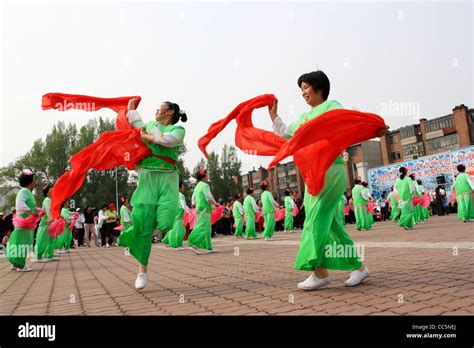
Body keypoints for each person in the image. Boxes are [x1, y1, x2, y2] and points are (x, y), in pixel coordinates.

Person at [270, 70, 382, 290]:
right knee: (330, 226)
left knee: (314, 220)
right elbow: (286, 134)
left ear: (319, 87)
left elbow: (348, 123)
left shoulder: (332, 106)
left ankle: (319, 272)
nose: (303, 92)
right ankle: (358, 268)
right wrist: (274, 116)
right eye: (300, 88)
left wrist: (371, 128)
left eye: (306, 87)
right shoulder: (303, 118)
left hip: (331, 170)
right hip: (312, 175)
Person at [119, 98, 187, 290]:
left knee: (166, 222)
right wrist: (131, 106)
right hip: (147, 177)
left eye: (159, 108)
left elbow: (166, 141)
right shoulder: (150, 125)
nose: (156, 111)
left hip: (167, 178)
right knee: (143, 224)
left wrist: (147, 137)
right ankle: (142, 271)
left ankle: (152, 230)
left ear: (170, 112)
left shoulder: (178, 130)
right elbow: (135, 123)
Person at [6, 170, 38, 272]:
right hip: (24, 222)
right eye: (34, 179)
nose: (35, 182)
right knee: (23, 242)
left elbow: (27, 206)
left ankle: (15, 264)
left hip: (26, 222)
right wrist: (31, 212)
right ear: (31, 181)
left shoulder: (26, 192)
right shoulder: (24, 191)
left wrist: (35, 211)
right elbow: (20, 205)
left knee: (19, 242)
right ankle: (20, 265)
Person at [188, 169, 219, 254]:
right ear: (203, 177)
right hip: (205, 209)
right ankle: (194, 244)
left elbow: (193, 198)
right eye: (207, 175)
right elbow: (208, 197)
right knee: (204, 228)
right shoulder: (205, 185)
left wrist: (194, 204)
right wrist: (215, 203)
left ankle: (209, 247)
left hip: (199, 209)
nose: (208, 177)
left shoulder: (197, 186)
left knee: (207, 228)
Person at [34, 184, 59, 262]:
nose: (53, 191)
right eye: (51, 190)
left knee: (52, 239)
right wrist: (54, 220)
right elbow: (49, 213)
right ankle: (38, 256)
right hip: (46, 223)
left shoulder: (51, 200)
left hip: (50, 223)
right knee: (42, 240)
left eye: (53, 190)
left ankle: (50, 255)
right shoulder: (47, 200)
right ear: (47, 193)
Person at [162, 181, 190, 250]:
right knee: (179, 230)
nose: (184, 187)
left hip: (173, 215)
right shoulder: (181, 195)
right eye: (183, 186)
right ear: (179, 187)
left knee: (175, 230)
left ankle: (174, 244)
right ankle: (176, 245)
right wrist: (189, 211)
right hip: (179, 215)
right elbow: (183, 204)